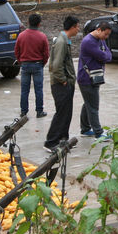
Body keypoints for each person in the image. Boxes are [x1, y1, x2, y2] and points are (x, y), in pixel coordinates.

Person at [44, 16, 80, 151]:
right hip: (60, 84)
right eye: (77, 27)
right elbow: (56, 64)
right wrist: (63, 80)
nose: (78, 30)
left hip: (66, 83)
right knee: (61, 113)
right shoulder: (61, 42)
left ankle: (63, 138)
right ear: (72, 27)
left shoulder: (65, 40)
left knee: (67, 112)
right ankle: (51, 142)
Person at [78, 22, 112, 138]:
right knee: (93, 106)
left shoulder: (100, 39)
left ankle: (85, 128)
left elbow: (109, 55)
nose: (106, 37)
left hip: (95, 77)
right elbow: (103, 56)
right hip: (87, 78)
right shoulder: (88, 42)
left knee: (88, 103)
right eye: (105, 34)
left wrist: (105, 56)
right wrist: (104, 56)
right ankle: (98, 132)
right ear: (98, 30)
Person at [15, 13, 49, 118]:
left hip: (25, 65)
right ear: (39, 24)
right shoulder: (42, 36)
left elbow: (17, 51)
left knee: (24, 90)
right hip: (37, 64)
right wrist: (43, 63)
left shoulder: (21, 36)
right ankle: (39, 111)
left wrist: (21, 61)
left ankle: (23, 112)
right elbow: (46, 53)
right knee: (38, 89)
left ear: (28, 22)